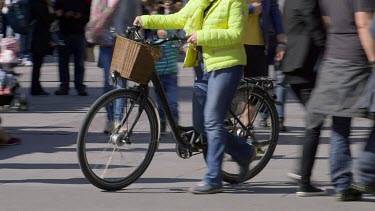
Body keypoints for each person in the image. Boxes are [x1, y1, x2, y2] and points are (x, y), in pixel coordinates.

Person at [133, 0, 256, 194]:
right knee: (201, 125)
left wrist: (202, 36)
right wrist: (145, 20)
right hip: (203, 66)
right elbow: (179, 18)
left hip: (227, 66)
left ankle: (213, 178)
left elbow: (236, 34)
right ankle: (244, 152)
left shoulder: (235, 2)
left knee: (213, 121)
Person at [306, 0, 375, 201]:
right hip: (356, 61)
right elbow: (364, 24)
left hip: (334, 57)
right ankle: (367, 172)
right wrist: (373, 59)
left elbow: (327, 22)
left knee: (339, 126)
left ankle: (342, 185)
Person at [282, 0, 326, 196]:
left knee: (313, 121)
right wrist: (329, 50)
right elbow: (315, 27)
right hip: (304, 67)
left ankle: (301, 172)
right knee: (314, 123)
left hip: (296, 66)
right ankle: (304, 181)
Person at [86, 0, 141, 133]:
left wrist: (138, 43)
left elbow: (137, 19)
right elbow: (94, 19)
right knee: (108, 83)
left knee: (120, 84)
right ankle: (110, 118)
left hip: (124, 42)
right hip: (106, 44)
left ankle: (119, 121)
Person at [54, 0, 90, 96]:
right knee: (63, 62)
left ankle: (79, 87)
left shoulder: (84, 2)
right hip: (64, 32)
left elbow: (89, 15)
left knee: (79, 62)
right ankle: (64, 86)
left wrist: (80, 16)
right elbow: (56, 13)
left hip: (79, 33)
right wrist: (65, 14)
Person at [29, 0, 54, 96]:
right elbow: (45, 18)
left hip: (38, 38)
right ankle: (35, 88)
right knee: (37, 65)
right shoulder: (38, 4)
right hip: (38, 38)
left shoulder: (36, 3)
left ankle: (36, 87)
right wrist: (53, 13)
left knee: (37, 65)